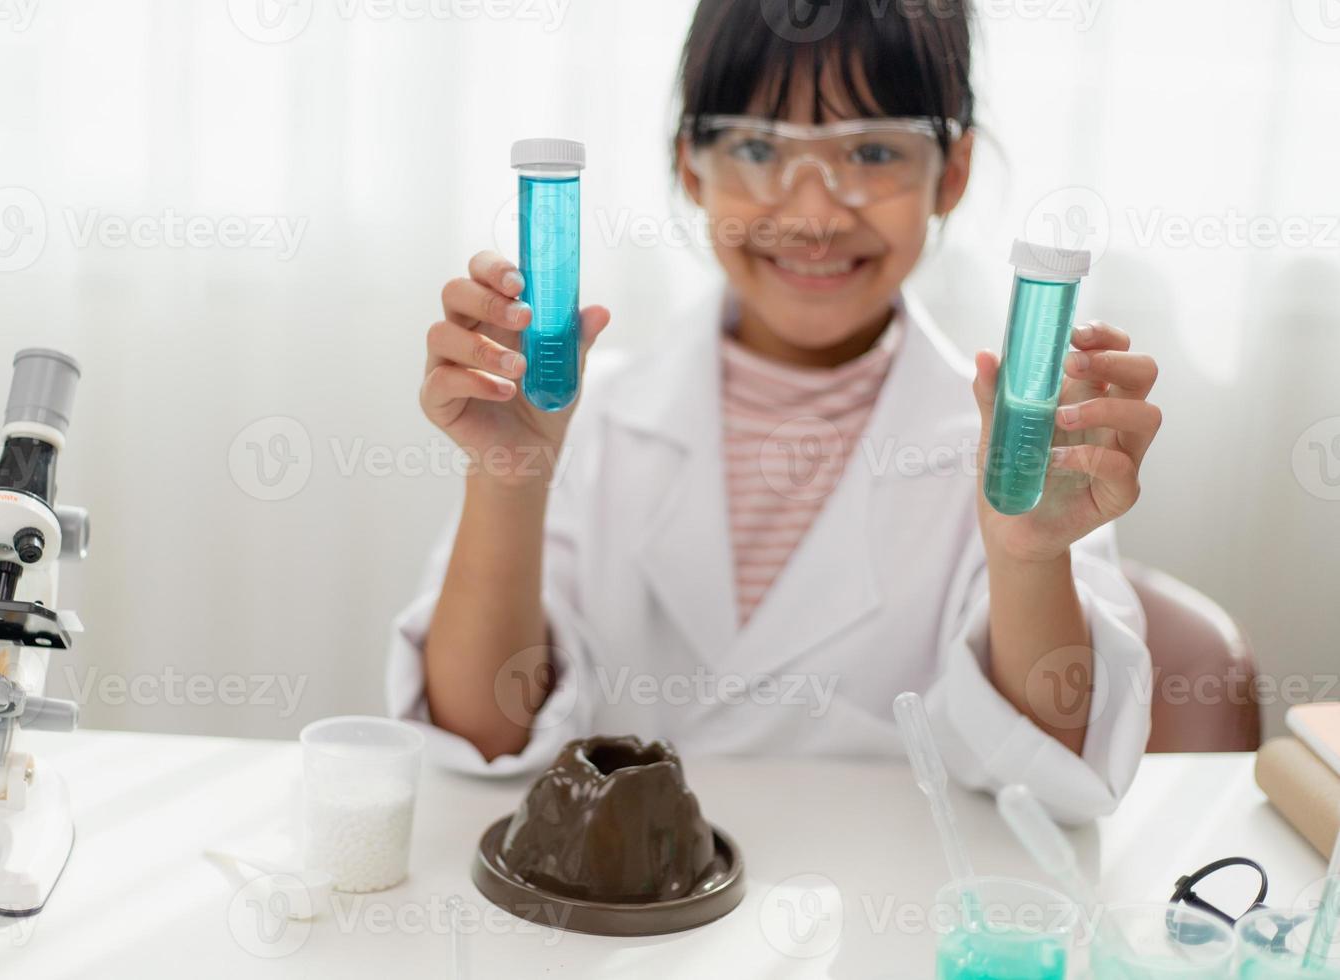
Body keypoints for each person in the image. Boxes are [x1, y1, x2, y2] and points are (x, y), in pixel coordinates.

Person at [388, 0, 1161, 822]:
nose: (814, 216)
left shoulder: (1021, 451)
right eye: (757, 148)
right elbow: (480, 738)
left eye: (870, 151)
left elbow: (1051, 779)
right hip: (623, 938)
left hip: (872, 931)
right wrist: (508, 480)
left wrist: (1028, 556)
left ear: (953, 174)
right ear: (692, 167)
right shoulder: (587, 417)